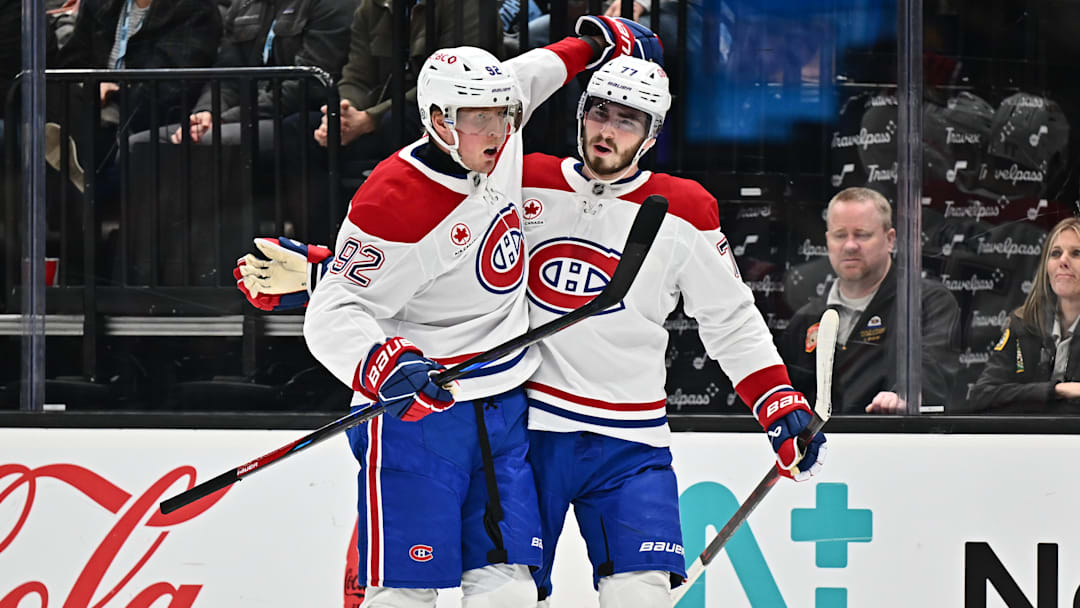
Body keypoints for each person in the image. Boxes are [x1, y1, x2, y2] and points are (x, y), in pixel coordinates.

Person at [239, 51, 826, 608]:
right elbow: (446, 256)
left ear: (652, 134)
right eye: (598, 110)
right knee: (477, 586)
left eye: (629, 120)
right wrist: (329, 267)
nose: (607, 129)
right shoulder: (520, 175)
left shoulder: (684, 209)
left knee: (637, 592)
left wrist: (777, 401)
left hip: (630, 439)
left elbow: (731, 320)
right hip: (530, 425)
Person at [300, 19, 661, 608]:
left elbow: (532, 74)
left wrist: (593, 46)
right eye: (479, 118)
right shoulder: (393, 201)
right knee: (405, 592)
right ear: (439, 121)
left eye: (503, 115)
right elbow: (334, 309)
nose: (498, 129)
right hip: (415, 418)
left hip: (501, 405)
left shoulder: (496, 122)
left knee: (510, 587)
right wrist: (383, 366)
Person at [780, 187, 960, 414]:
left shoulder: (926, 302)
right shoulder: (806, 318)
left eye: (862, 234)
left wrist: (904, 396)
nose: (850, 245)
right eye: (840, 235)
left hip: (893, 440)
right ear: (828, 241)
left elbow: (933, 369)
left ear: (890, 239)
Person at [969, 218, 1080, 413]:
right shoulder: (1022, 324)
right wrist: (1056, 390)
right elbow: (982, 395)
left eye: (1076, 253)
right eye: (1055, 254)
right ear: (1046, 267)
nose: (1063, 261)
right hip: (1029, 440)